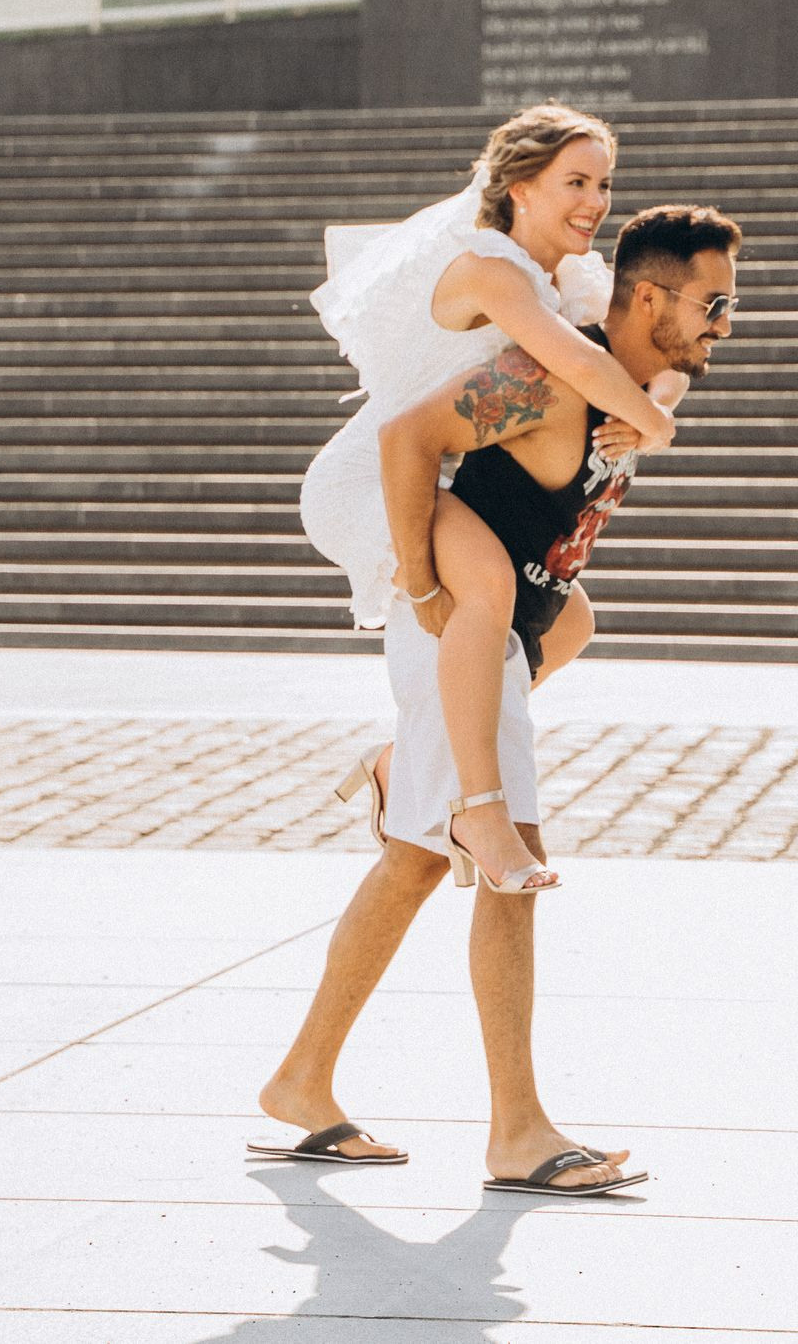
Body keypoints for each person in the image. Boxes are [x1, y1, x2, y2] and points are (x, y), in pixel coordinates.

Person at [256, 204, 743, 1192]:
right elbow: (410, 434)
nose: (724, 321)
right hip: (459, 636)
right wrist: (426, 587)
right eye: (712, 301)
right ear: (646, 294)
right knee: (510, 854)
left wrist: (659, 382)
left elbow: (660, 370)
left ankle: (302, 1080)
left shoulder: (628, 380)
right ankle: (517, 1130)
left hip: (514, 630)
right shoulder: (543, 376)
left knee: (413, 860)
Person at [301, 105, 686, 894]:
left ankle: (407, 762)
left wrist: (665, 392)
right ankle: (476, 809)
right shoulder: (489, 269)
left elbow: (656, 343)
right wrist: (650, 422)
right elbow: (573, 360)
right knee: (487, 582)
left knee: (568, 620)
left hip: (444, 475)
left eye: (604, 183)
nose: (596, 201)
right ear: (520, 186)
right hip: (373, 474)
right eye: (575, 181)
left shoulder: (574, 278)